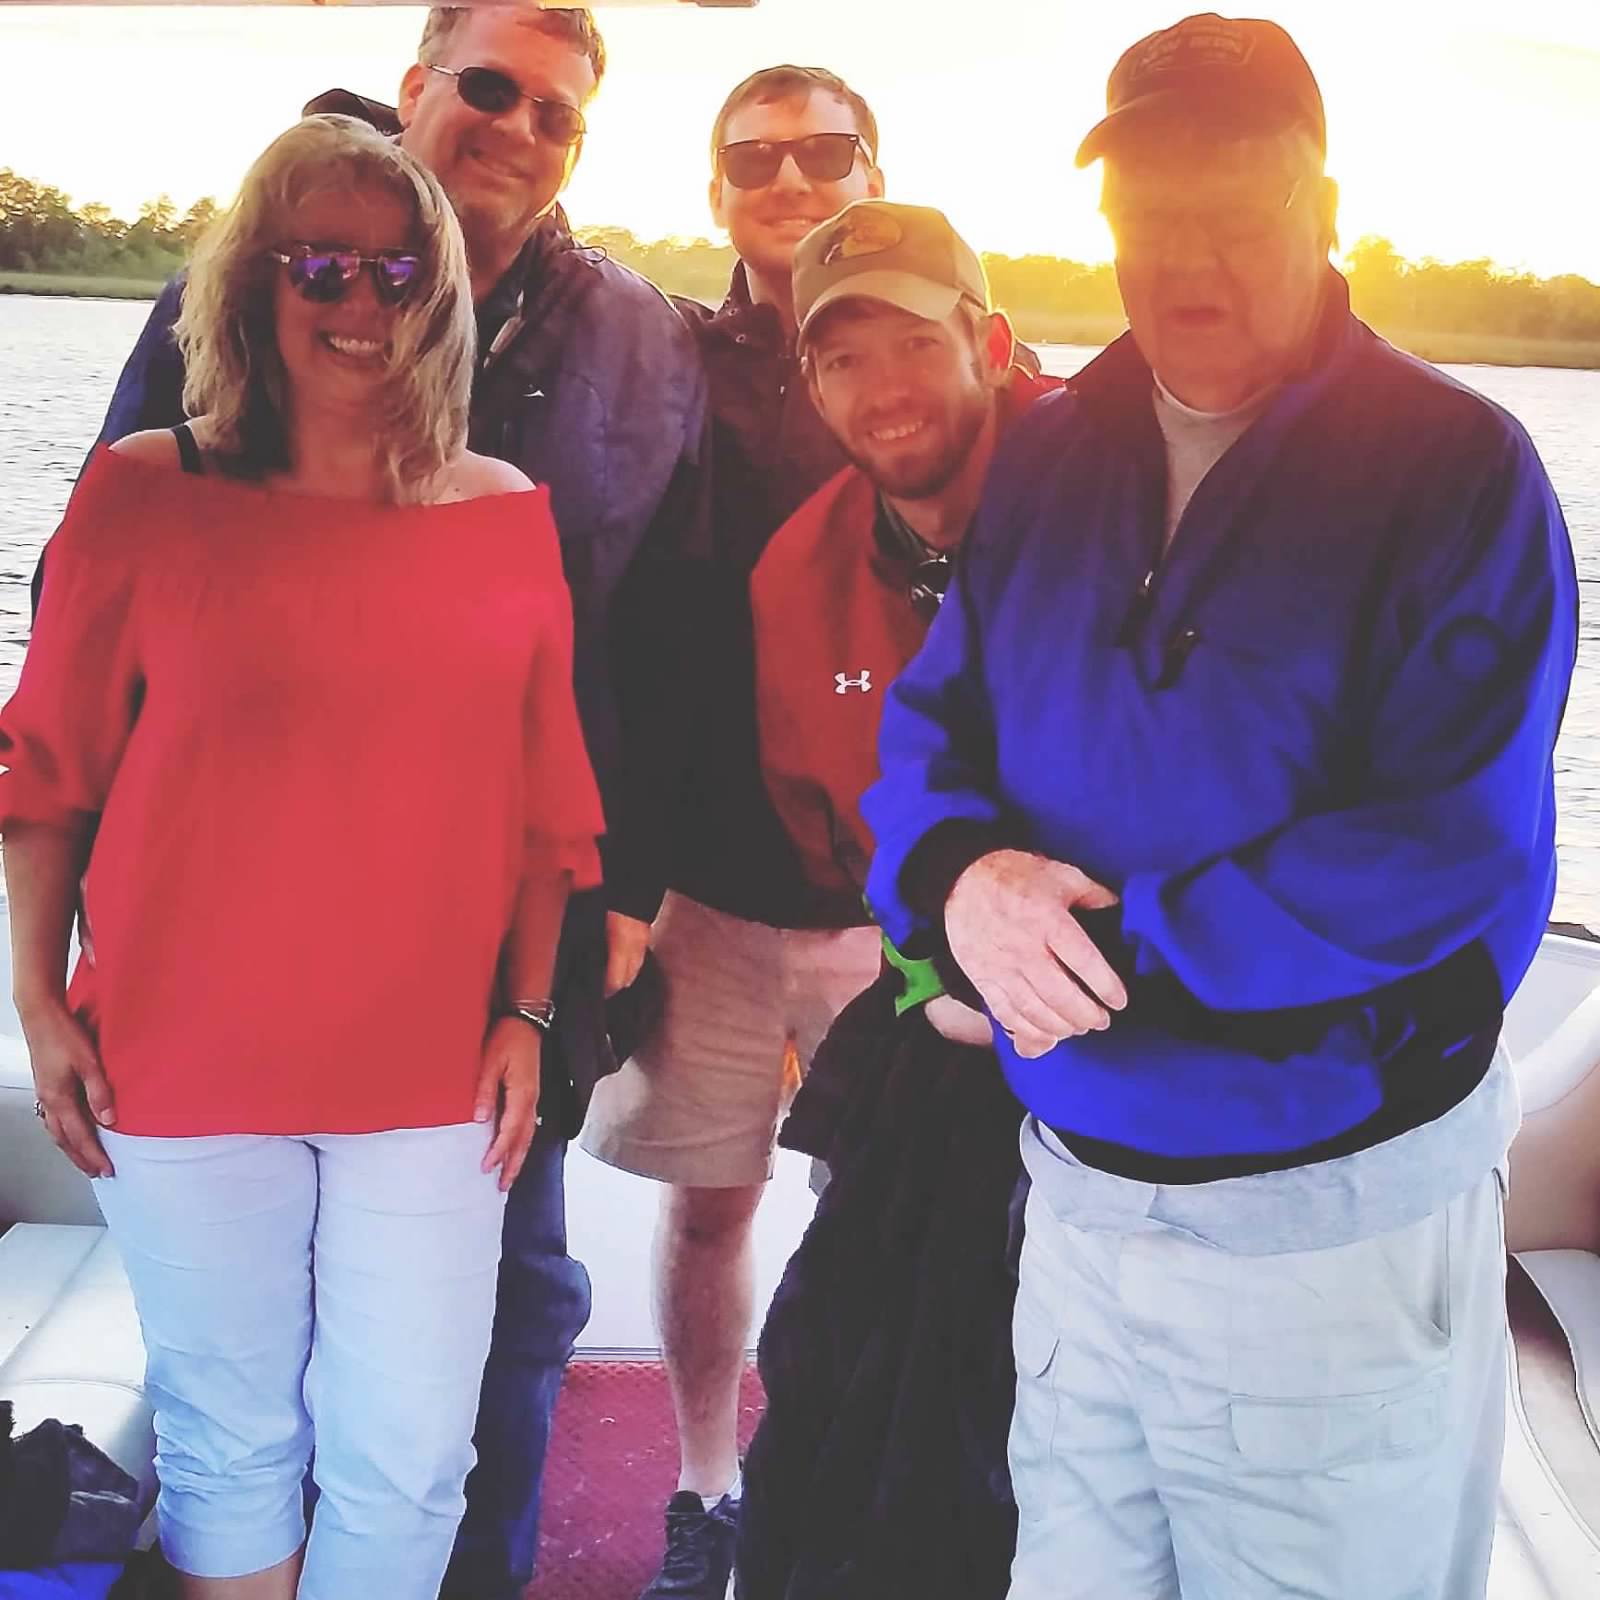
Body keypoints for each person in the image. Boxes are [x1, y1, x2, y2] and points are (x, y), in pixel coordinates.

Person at [862, 14, 1577, 1600]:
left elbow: (1444, 845)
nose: (1188, 259)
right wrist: (961, 889)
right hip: (1075, 1209)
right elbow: (934, 727)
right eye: (1149, 212)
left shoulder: (1460, 471)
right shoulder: (1048, 455)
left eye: (1238, 211)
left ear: (1325, 208)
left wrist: (1099, 959)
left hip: (1326, 1237)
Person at [48, 9, 705, 1596]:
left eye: (557, 111)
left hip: (482, 978)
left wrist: (606, 921)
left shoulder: (625, 352)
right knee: (239, 1414)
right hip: (204, 991)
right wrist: (54, 977)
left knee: (479, 1358)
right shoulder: (188, 387)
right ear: (419, 86)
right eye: (488, 86)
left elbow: (648, 656)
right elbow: (82, 686)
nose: (519, 126)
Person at [581, 65, 887, 1600]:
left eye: (825, 153)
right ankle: (708, 1494)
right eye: (755, 159)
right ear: (716, 192)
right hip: (700, 888)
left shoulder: (957, 370)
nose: (791, 180)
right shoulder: (671, 365)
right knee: (713, 1211)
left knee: (876, 1213)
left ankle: (841, 1489)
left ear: (873, 172)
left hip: (889, 903)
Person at [733, 200, 1057, 1600]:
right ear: (811, 386)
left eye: (917, 343)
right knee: (837, 1372)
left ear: (992, 342)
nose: (885, 389)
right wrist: (935, 971)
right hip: (937, 1023)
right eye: (843, 358)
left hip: (1136, 1035)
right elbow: (832, 836)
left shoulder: (1111, 487)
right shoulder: (796, 575)